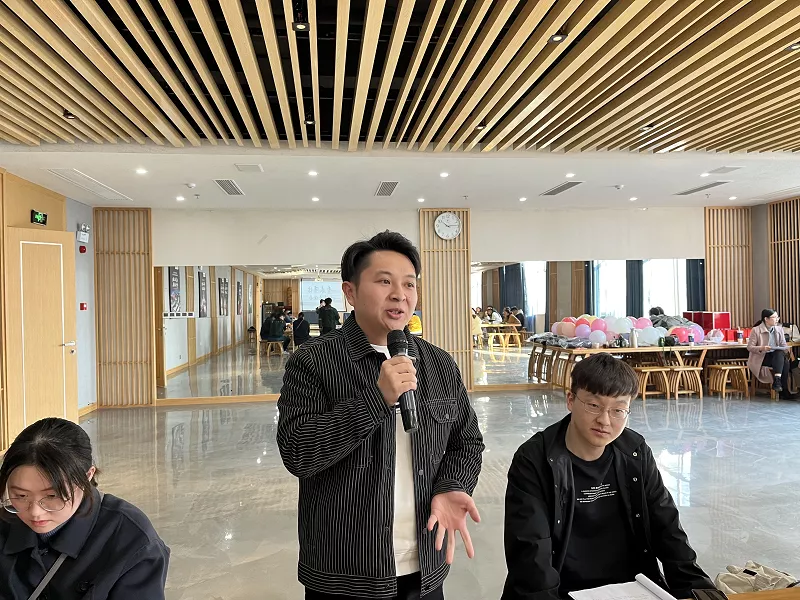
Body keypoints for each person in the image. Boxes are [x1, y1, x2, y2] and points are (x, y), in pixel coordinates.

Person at [278, 230, 484, 599]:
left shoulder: (438, 363)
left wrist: (452, 485)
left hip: (425, 566)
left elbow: (466, 442)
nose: (400, 294)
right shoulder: (312, 361)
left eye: (409, 283)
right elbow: (298, 453)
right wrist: (377, 398)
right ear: (351, 291)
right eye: (384, 281)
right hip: (343, 572)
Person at [503, 354, 714, 600]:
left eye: (618, 410)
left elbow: (667, 527)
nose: (604, 420)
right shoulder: (535, 459)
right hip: (563, 592)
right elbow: (531, 555)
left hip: (633, 589)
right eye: (593, 405)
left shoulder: (635, 451)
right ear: (570, 400)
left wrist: (700, 590)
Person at [0, 418, 169, 599]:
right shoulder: (5, 521)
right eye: (21, 496)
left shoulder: (132, 540)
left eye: (52, 496)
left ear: (88, 475)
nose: (35, 512)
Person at [748, 308, 790, 394]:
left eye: (777, 317)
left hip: (776, 357)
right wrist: (762, 348)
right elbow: (750, 347)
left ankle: (778, 381)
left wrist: (785, 348)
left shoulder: (779, 329)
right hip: (762, 358)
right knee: (784, 362)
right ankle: (784, 391)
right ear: (766, 319)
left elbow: (783, 345)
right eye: (774, 317)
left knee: (780, 355)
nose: (777, 319)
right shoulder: (756, 330)